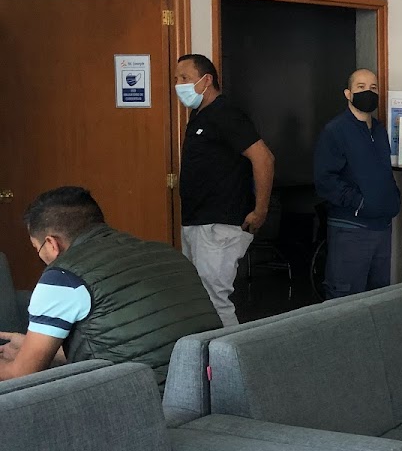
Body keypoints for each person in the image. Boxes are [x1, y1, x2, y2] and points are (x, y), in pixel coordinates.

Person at [0, 187, 220, 389]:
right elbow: (130, 345)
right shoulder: (166, 253)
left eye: (37, 248)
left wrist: (25, 360)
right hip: (212, 389)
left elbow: (21, 374)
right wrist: (32, 348)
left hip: (143, 401)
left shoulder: (63, 276)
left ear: (51, 244)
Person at [175, 54, 275, 326]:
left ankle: (227, 352)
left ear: (206, 80)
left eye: (185, 78)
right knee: (199, 298)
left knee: (214, 300)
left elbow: (264, 158)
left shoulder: (225, 113)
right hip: (197, 222)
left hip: (219, 224)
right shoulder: (199, 115)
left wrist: (260, 210)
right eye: (177, 79)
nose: (179, 85)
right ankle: (203, 352)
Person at [314, 68, 401, 299]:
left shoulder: (380, 131)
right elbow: (325, 180)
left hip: (381, 227)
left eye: (373, 88)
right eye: (361, 87)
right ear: (348, 93)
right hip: (350, 229)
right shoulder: (335, 130)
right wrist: (360, 202)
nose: (368, 92)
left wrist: (392, 198)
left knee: (377, 298)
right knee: (345, 300)